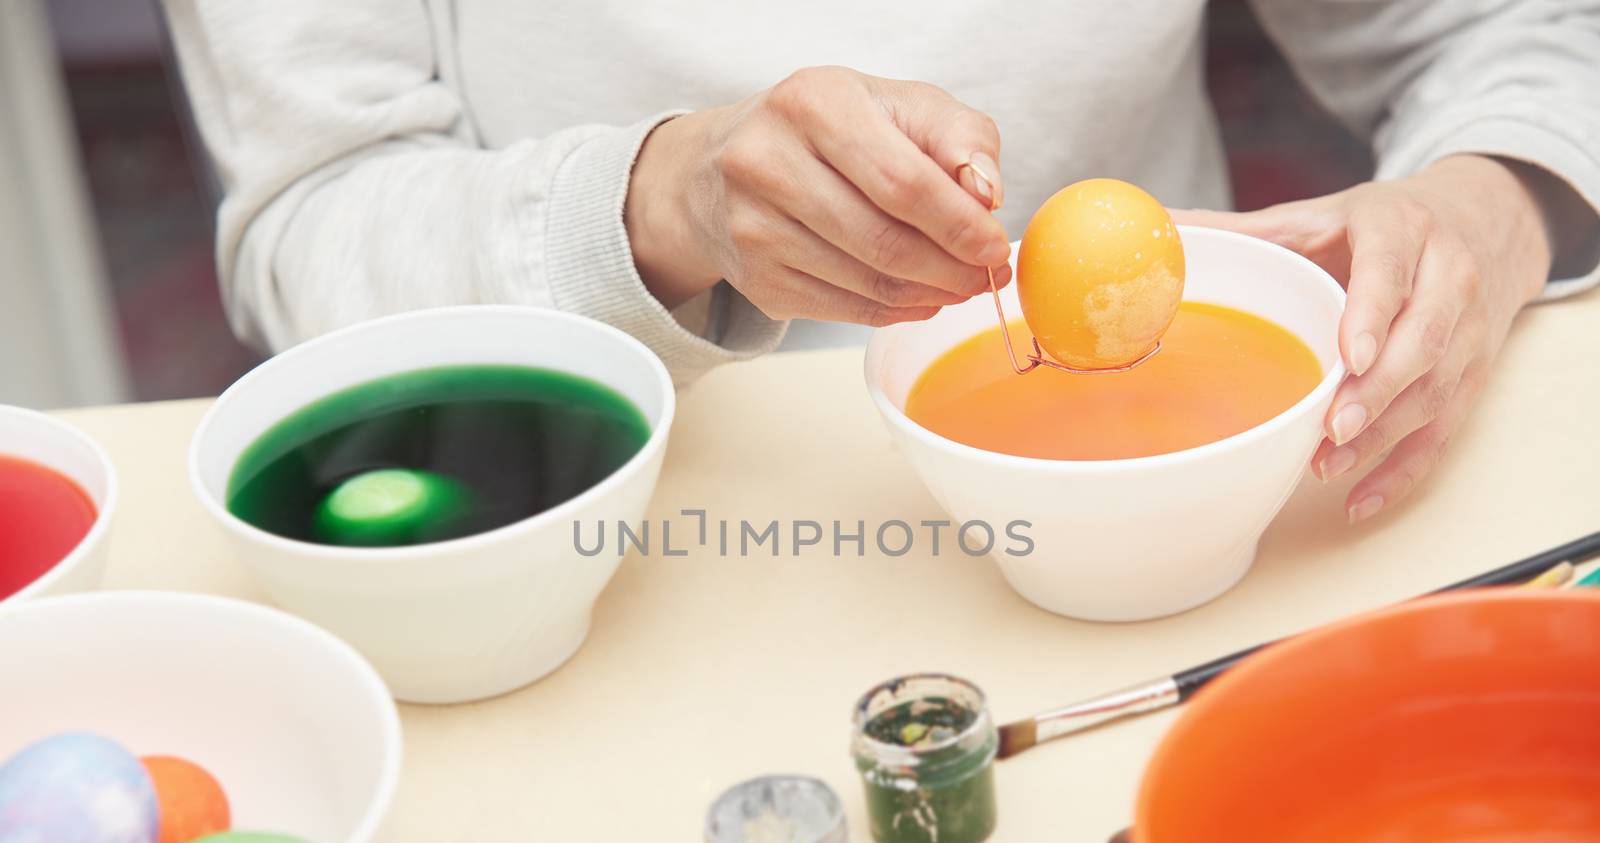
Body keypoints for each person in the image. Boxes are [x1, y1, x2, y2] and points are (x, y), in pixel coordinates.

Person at [163, 1, 1599, 522]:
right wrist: (661, 204)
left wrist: (1488, 200)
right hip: (634, 527)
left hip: (1184, 497)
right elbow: (315, 219)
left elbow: (1497, 31)